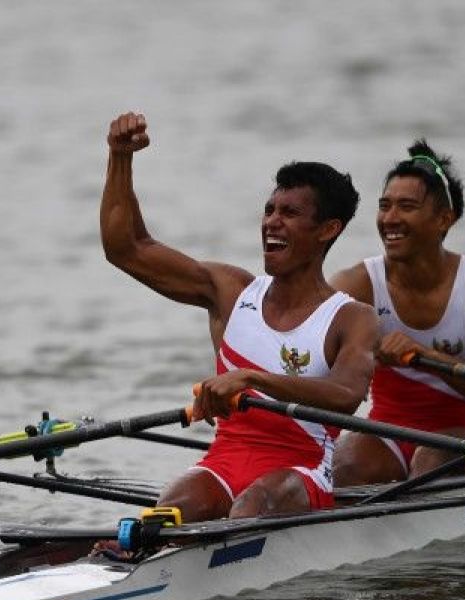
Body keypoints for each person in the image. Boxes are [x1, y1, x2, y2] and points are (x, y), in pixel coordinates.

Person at [100, 111, 377, 525]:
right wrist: (120, 157)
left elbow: (346, 393)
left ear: (327, 229)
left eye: (289, 213)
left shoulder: (351, 317)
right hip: (225, 462)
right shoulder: (229, 291)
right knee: (164, 516)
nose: (271, 222)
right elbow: (126, 248)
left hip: (300, 472)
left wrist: (251, 378)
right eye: (269, 210)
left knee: (251, 507)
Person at [330, 140, 465, 486]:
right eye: (384, 206)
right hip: (383, 433)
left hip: (460, 433)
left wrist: (431, 359)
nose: (390, 219)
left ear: (445, 219)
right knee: (344, 470)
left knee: (429, 465)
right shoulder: (355, 285)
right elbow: (316, 367)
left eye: (406, 207)